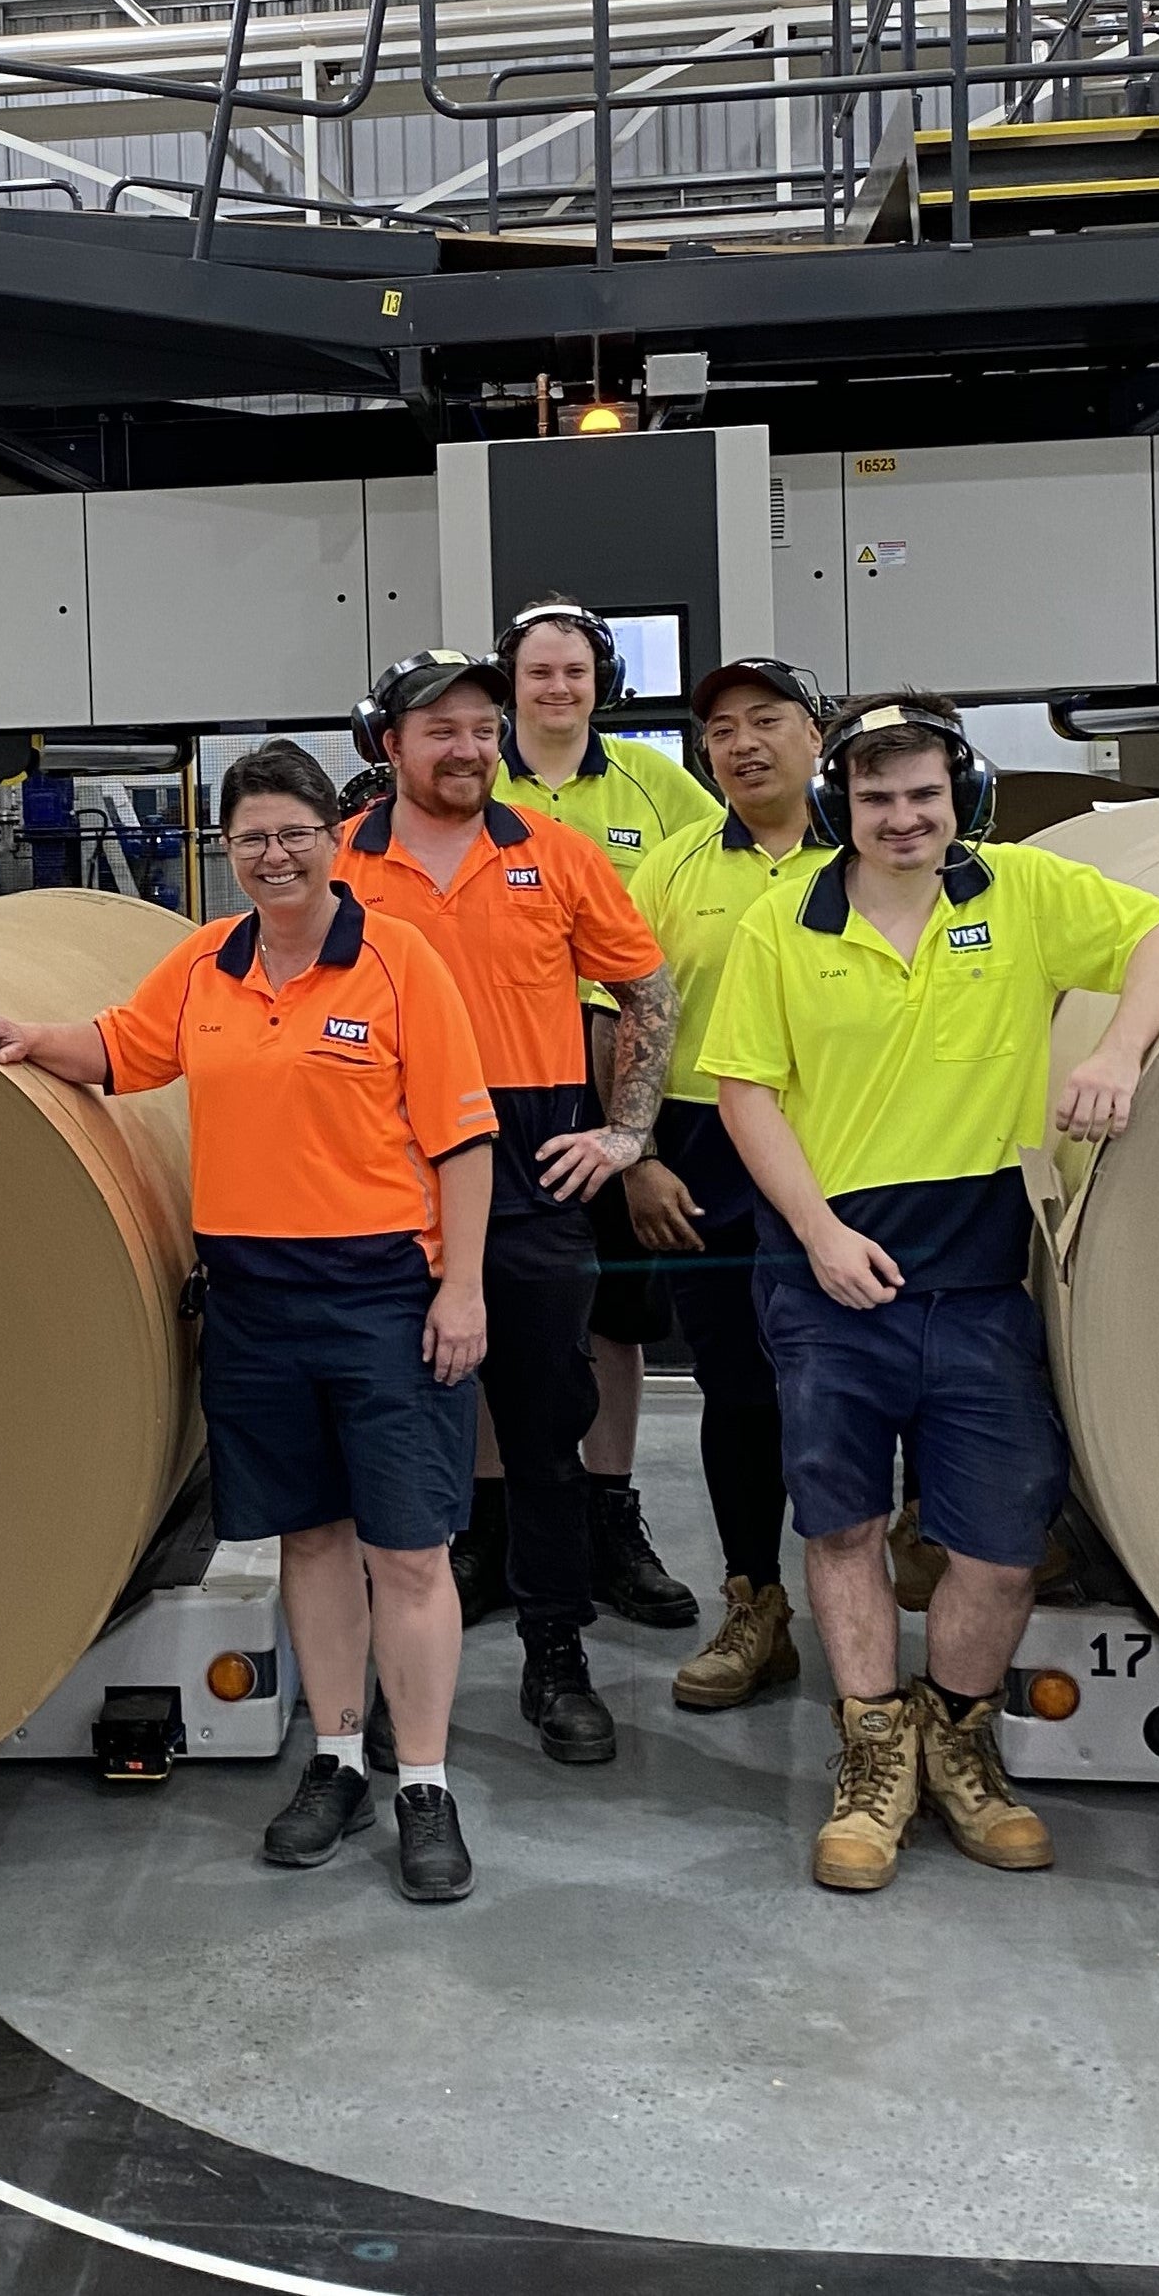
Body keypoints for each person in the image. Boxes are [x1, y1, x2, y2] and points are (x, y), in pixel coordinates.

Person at [0, 741, 499, 1906]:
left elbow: (461, 1139)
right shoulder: (206, 962)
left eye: (295, 832)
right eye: (250, 837)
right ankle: (338, 1761)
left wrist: (462, 1291)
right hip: (254, 1300)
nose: (274, 855)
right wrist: (28, 1039)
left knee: (407, 1550)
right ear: (227, 850)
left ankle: (426, 1784)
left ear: (333, 840)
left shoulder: (400, 964)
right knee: (308, 1539)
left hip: (384, 1296)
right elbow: (124, 1049)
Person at [701, 692, 1159, 1891]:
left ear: (960, 798)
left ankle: (961, 1741)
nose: (902, 817)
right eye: (876, 796)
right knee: (842, 1529)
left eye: (923, 794)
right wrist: (819, 1233)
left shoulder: (1022, 896)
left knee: (993, 1547)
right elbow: (744, 1093)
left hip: (979, 1275)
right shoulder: (784, 925)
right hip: (829, 1272)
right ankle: (873, 1757)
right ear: (842, 805)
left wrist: (1117, 1048)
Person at [335, 649, 674, 1769]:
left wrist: (625, 1132)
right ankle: (389, 1685)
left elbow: (646, 988)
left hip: (531, 1174)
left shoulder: (557, 856)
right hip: (383, 1180)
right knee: (388, 1447)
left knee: (542, 1433)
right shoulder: (339, 868)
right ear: (390, 747)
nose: (471, 748)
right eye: (443, 730)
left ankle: (555, 1655)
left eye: (484, 727)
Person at [488, 595, 720, 1634]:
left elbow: (696, 926)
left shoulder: (658, 786)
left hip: (624, 1082)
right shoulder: (469, 783)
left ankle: (609, 1513)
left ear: (602, 685)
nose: (557, 690)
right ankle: (492, 1528)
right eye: (539, 673)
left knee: (613, 1311)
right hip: (496, 1084)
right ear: (512, 686)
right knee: (496, 1308)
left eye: (575, 673)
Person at [623, 659, 833, 1712]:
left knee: (850, 1384)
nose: (742, 743)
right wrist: (640, 1155)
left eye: (767, 721)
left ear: (814, 735)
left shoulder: (880, 856)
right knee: (740, 1391)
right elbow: (628, 1021)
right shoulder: (666, 871)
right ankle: (755, 1607)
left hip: (849, 1143)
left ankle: (872, 1612)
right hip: (704, 1153)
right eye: (720, 731)